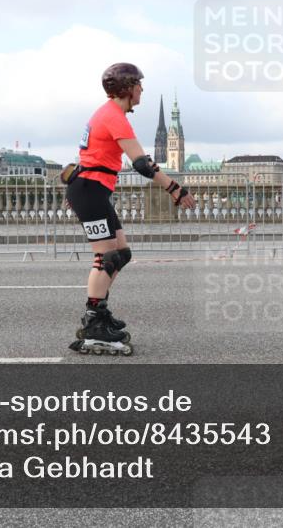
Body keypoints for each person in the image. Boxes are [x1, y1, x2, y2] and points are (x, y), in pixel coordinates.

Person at [63, 63, 195, 356]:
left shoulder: (110, 113)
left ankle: (99, 312)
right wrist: (175, 189)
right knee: (106, 256)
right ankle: (94, 322)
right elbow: (141, 164)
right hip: (89, 189)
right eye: (139, 84)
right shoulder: (113, 116)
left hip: (94, 189)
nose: (142, 90)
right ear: (126, 87)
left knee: (121, 254)